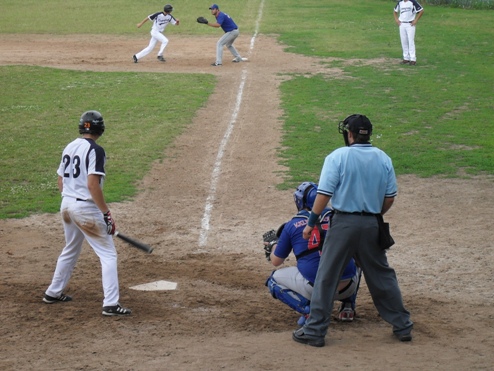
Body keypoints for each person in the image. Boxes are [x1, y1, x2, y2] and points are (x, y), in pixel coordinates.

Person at [292, 114, 413, 347]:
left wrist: (311, 222)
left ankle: (315, 331)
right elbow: (389, 197)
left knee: (327, 276)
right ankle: (402, 326)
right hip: (371, 224)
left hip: (343, 225)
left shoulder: (337, 156)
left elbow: (324, 193)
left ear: (349, 134)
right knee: (381, 275)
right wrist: (373, 216)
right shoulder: (383, 158)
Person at [43, 111, 131, 317]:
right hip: (85, 208)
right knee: (108, 255)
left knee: (71, 249)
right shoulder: (96, 150)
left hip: (66, 205)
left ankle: (53, 292)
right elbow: (93, 185)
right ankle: (111, 304)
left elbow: (60, 180)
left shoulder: (70, 146)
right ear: (101, 128)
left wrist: (70, 202)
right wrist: (106, 214)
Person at [264, 182, 361, 326]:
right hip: (347, 287)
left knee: (273, 280)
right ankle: (348, 307)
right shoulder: (340, 217)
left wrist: (273, 245)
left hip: (315, 289)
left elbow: (276, 261)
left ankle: (309, 311)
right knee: (357, 258)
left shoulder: (292, 225)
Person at [393, 0, 424, 66]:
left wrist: (416, 20)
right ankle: (406, 58)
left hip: (410, 24)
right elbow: (395, 11)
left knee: (410, 41)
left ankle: (413, 59)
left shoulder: (413, 2)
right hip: (402, 24)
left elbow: (421, 10)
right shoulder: (400, 2)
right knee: (403, 41)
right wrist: (396, 20)